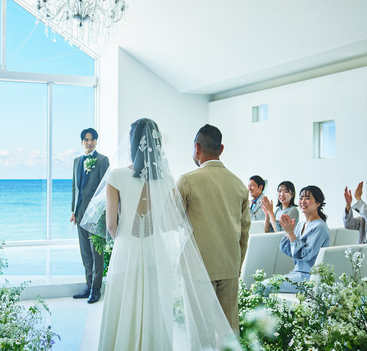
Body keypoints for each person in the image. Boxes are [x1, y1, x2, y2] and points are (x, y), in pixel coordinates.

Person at [81, 119, 233, 350]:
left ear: (132, 143)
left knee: (124, 308)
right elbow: (168, 223)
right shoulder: (168, 179)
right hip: (156, 251)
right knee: (153, 308)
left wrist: (125, 239)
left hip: (126, 250)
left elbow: (111, 225)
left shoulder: (116, 176)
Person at [177, 124, 250, 333]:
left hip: (197, 267)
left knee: (200, 333)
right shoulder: (239, 184)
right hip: (229, 266)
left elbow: (169, 220)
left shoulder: (187, 181)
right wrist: (237, 265)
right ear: (221, 149)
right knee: (229, 331)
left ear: (197, 148)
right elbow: (244, 231)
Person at [70, 128, 109, 304]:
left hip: (95, 213)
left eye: (92, 139)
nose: (89, 142)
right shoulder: (76, 161)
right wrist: (73, 211)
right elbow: (75, 188)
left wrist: (102, 212)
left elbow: (105, 188)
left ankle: (96, 288)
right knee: (85, 251)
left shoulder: (102, 160)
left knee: (96, 252)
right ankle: (88, 285)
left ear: (96, 141)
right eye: (86, 140)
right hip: (79, 213)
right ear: (82, 142)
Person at [273, 185, 330, 293]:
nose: (303, 201)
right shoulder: (301, 224)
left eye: (307, 198)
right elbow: (288, 250)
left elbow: (304, 255)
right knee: (262, 285)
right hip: (297, 273)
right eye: (301, 198)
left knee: (264, 286)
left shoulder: (320, 227)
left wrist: (291, 233)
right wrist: (288, 231)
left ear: (318, 203)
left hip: (309, 278)